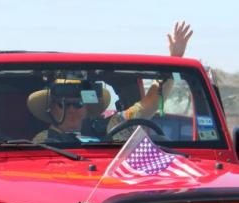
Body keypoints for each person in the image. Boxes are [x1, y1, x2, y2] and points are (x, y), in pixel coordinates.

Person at [31, 21, 194, 143]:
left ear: (87, 107)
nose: (72, 109)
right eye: (63, 104)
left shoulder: (114, 127)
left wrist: (174, 60)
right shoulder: (43, 143)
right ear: (50, 108)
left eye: (79, 103)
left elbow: (150, 103)